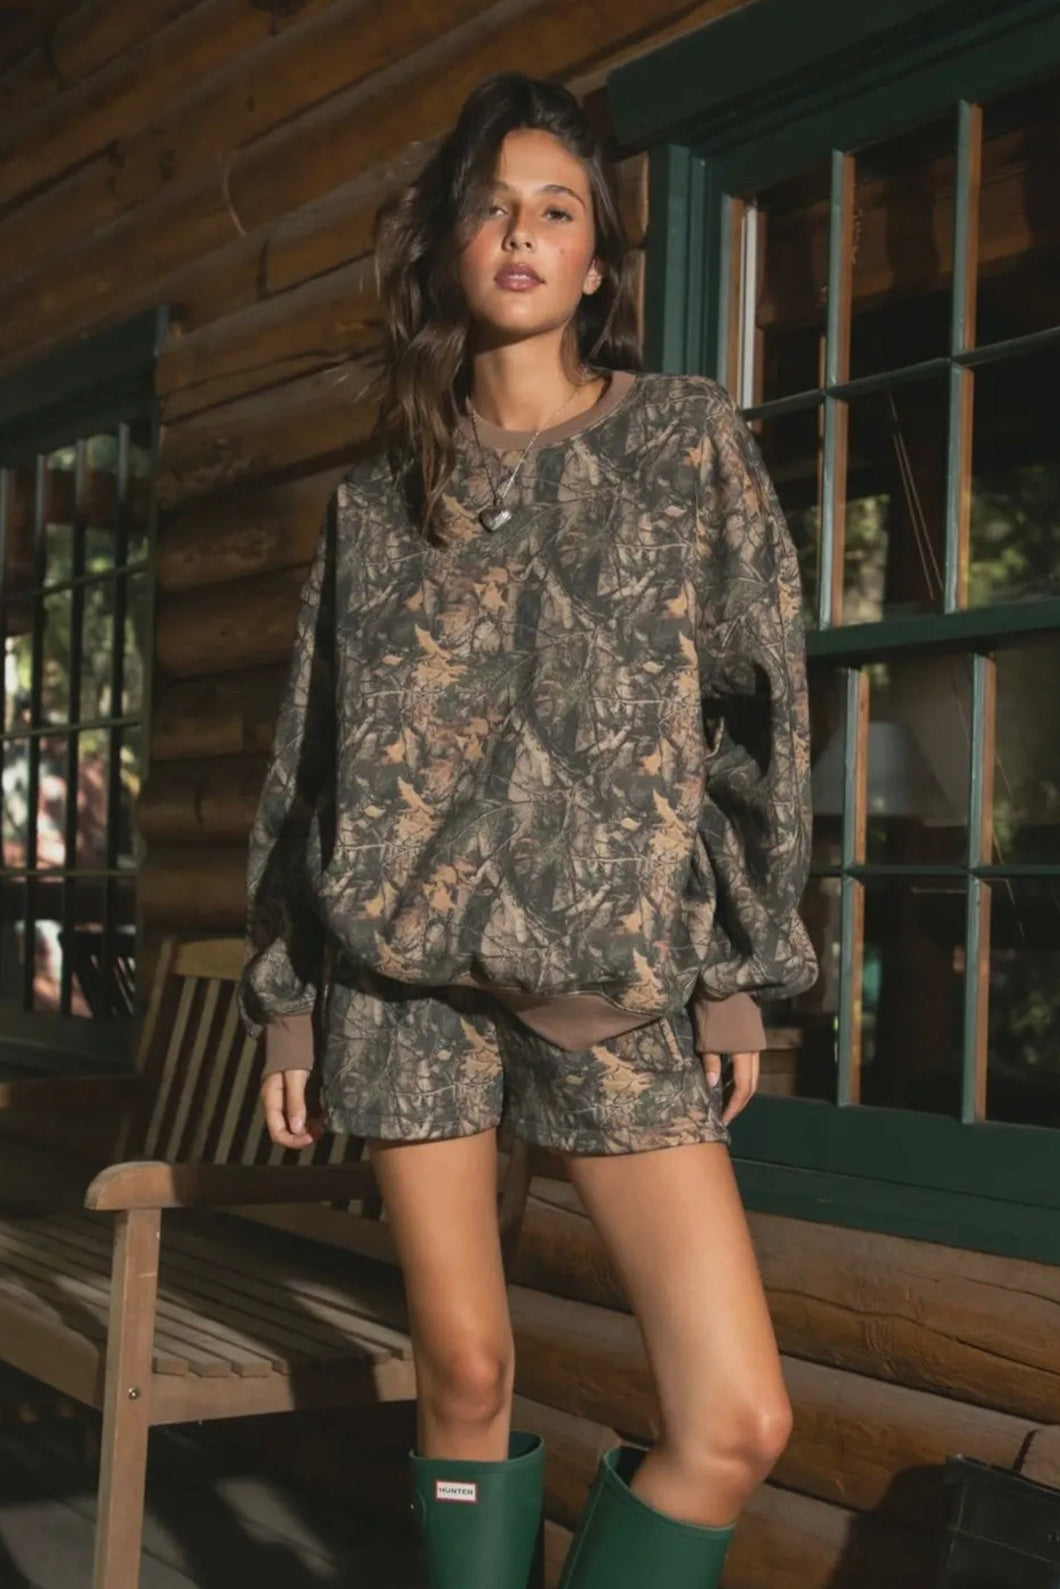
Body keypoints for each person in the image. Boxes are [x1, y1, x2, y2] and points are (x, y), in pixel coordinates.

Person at [237, 70, 818, 1589]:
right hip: (402, 987)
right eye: (493, 207)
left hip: (613, 982)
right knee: (469, 1371)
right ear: (448, 243)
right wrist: (289, 1002)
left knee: (738, 1416)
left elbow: (757, 712)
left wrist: (739, 968)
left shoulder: (682, 439)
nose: (521, 234)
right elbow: (311, 757)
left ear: (598, 263)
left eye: (557, 211)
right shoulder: (379, 503)